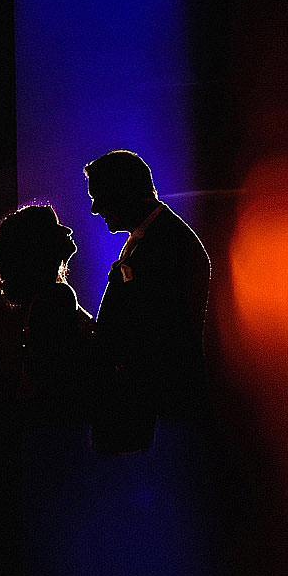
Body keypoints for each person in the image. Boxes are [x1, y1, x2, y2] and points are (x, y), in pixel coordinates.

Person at [83, 150, 210, 455]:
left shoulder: (167, 243)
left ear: (124, 192)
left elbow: (154, 335)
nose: (95, 209)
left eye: (100, 198)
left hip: (151, 415)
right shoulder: (156, 236)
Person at [0, 202, 95, 430]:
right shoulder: (57, 296)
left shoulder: (41, 298)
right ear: (40, 243)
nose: (68, 230)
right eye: (56, 226)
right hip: (62, 425)